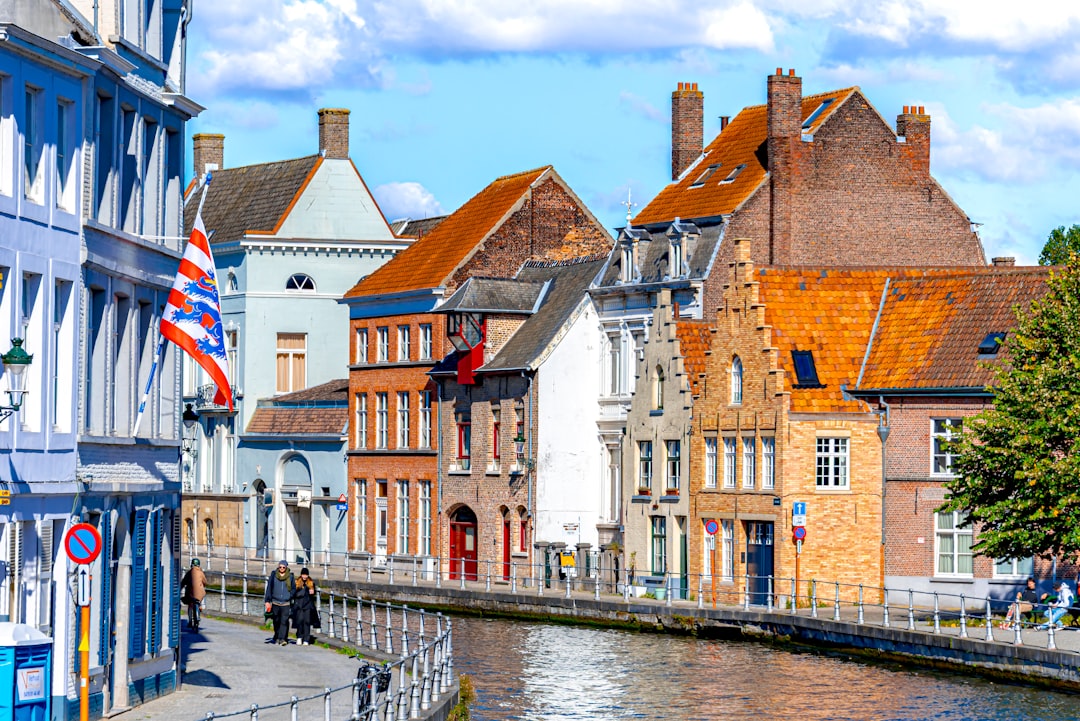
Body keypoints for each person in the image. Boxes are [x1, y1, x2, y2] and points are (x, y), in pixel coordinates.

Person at [264, 560, 295, 645]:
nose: (281, 569)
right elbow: (269, 588)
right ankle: (277, 636)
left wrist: (289, 596)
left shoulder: (290, 577)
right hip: (275, 602)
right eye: (280, 567)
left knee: (284, 621)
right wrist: (267, 601)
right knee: (276, 621)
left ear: (286, 567)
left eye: (283, 567)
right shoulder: (274, 575)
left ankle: (283, 639)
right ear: (278, 567)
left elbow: (293, 589)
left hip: (286, 603)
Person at [291, 567, 317, 645]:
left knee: (307, 622)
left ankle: (306, 639)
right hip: (299, 605)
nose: (304, 576)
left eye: (306, 575)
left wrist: (313, 592)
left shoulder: (311, 583)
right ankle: (299, 637)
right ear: (301, 575)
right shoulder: (297, 583)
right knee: (299, 621)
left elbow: (313, 594)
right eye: (303, 574)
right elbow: (294, 593)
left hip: (308, 605)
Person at [180, 558, 207, 632]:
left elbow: (183, 582)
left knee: (190, 605)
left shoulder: (189, 573)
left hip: (191, 594)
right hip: (200, 594)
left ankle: (190, 621)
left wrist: (179, 589)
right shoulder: (201, 573)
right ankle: (200, 607)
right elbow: (205, 582)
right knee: (200, 597)